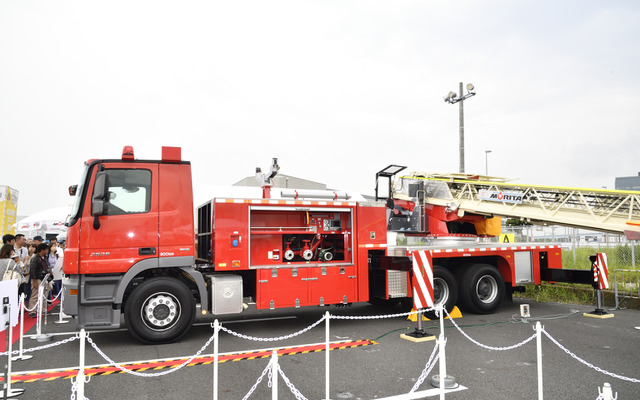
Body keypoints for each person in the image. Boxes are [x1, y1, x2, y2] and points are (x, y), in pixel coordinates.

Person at [28, 243, 51, 318]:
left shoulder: (44, 258)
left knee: (44, 294)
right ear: (42, 250)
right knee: (35, 295)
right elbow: (33, 270)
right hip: (37, 278)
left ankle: (43, 309)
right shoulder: (35, 258)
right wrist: (34, 281)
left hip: (44, 278)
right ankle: (32, 311)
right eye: (46, 249)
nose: (47, 251)